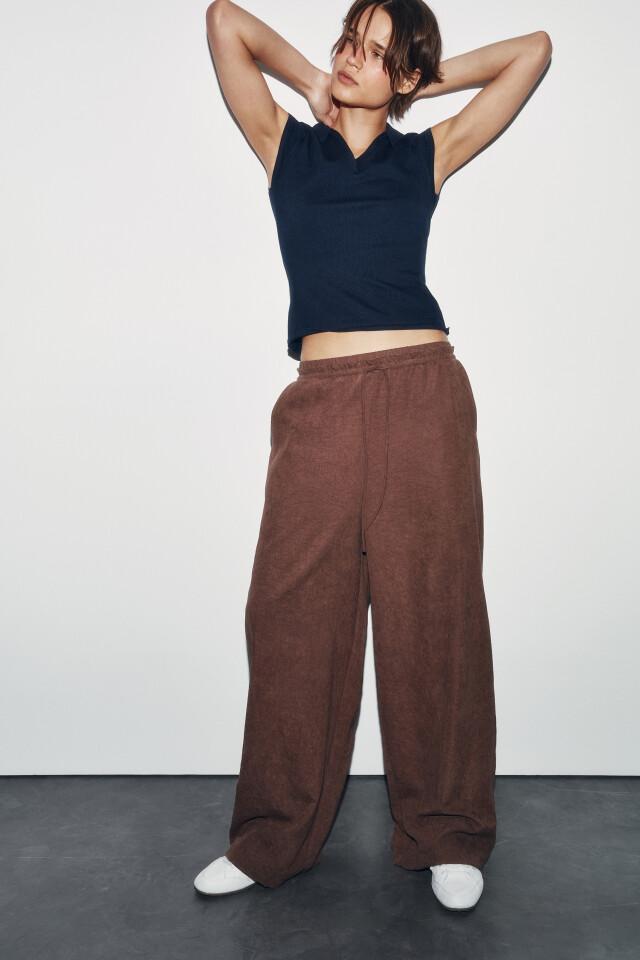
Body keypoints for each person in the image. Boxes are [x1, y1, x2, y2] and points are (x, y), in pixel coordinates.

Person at [197, 0, 551, 910]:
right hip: (320, 403)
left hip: (423, 394)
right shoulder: (287, 147)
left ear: (406, 73)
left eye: (376, 51)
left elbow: (533, 51)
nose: (353, 56)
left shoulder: (424, 154)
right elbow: (225, 22)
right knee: (289, 613)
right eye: (350, 40)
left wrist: (413, 86)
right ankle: (273, 835)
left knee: (432, 608)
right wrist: (319, 80)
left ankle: (447, 831)